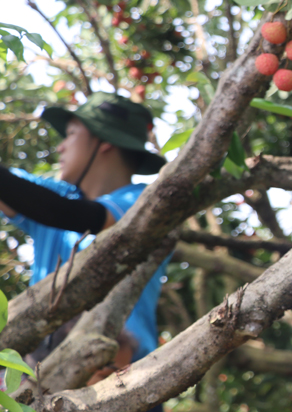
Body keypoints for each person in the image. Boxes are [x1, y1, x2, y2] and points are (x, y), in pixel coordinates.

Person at [0, 92, 170, 381]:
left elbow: (72, 215)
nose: (61, 147)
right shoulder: (55, 197)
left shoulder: (143, 201)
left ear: (103, 141)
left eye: (70, 134)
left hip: (121, 372)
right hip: (41, 367)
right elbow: (15, 189)